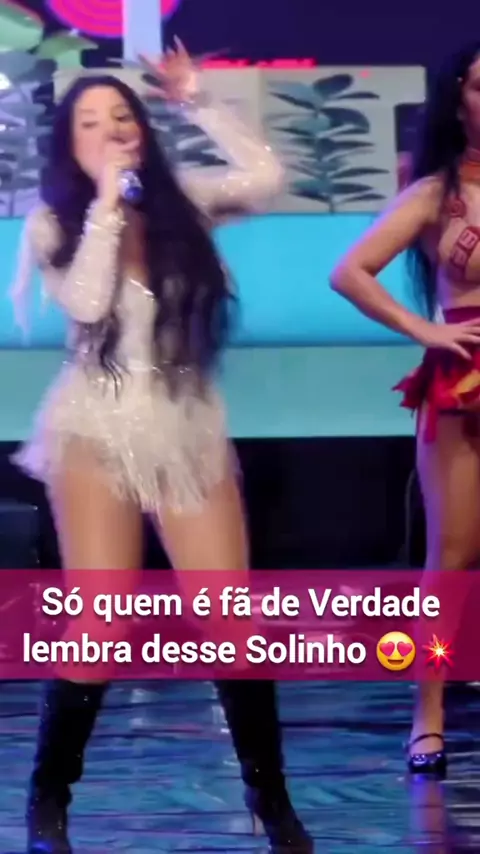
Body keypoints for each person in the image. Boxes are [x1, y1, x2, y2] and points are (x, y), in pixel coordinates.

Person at [11, 42, 313, 854]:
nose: (111, 131)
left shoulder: (186, 205)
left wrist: (198, 101)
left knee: (233, 624)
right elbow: (86, 302)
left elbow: (266, 176)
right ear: (68, 143)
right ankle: (49, 802)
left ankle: (271, 800)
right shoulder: (53, 223)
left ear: (142, 130)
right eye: (90, 122)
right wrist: (109, 205)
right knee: (100, 625)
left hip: (186, 423)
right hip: (96, 427)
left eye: (122, 117)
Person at [329, 40, 480, 778]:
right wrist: (425, 329)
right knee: (450, 558)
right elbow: (349, 271)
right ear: (460, 101)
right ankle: (429, 716)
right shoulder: (435, 193)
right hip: (467, 378)